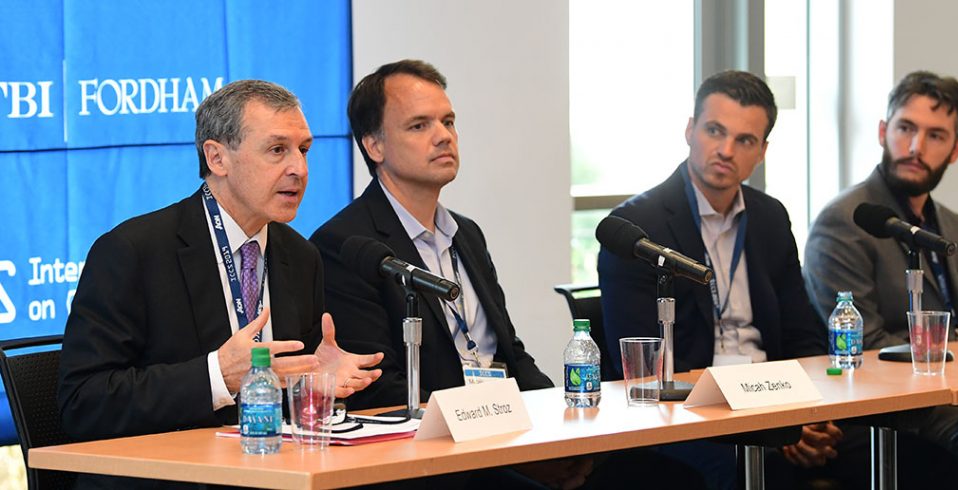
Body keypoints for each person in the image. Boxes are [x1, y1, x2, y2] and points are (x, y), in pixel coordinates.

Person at [311, 59, 698, 490]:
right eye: (419, 126)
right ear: (374, 145)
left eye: (448, 121)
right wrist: (510, 450)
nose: (443, 135)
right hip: (436, 456)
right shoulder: (346, 244)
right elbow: (381, 390)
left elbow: (510, 353)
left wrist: (560, 429)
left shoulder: (466, 234)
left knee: (664, 475)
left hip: (504, 433)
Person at [58, 80, 384, 488]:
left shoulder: (301, 257)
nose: (299, 169)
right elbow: (84, 402)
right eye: (277, 149)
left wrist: (312, 385)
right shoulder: (133, 252)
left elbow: (284, 402)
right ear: (217, 157)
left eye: (304, 150)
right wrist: (217, 376)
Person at [597, 70, 835, 489]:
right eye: (714, 131)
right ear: (690, 130)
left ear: (762, 151)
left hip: (775, 400)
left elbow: (803, 335)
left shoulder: (770, 218)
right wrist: (767, 428)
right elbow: (638, 369)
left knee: (896, 452)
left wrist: (805, 416)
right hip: (690, 414)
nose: (726, 150)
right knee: (747, 471)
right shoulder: (637, 228)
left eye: (744, 140)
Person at [803, 71, 958, 489]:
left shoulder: (953, 227)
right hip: (879, 410)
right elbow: (866, 347)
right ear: (884, 131)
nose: (917, 147)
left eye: (936, 136)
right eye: (906, 128)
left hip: (954, 398)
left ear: (955, 150)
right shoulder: (845, 221)